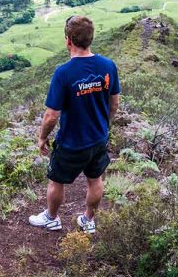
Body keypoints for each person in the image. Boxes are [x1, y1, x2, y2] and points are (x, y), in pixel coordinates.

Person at [29, 15, 120, 234]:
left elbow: (52, 115)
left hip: (71, 141)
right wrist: (104, 126)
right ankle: (88, 220)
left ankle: (52, 218)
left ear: (68, 40)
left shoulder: (63, 73)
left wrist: (42, 138)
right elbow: (114, 104)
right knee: (95, 179)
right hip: (98, 137)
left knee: (56, 181)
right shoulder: (108, 66)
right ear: (91, 38)